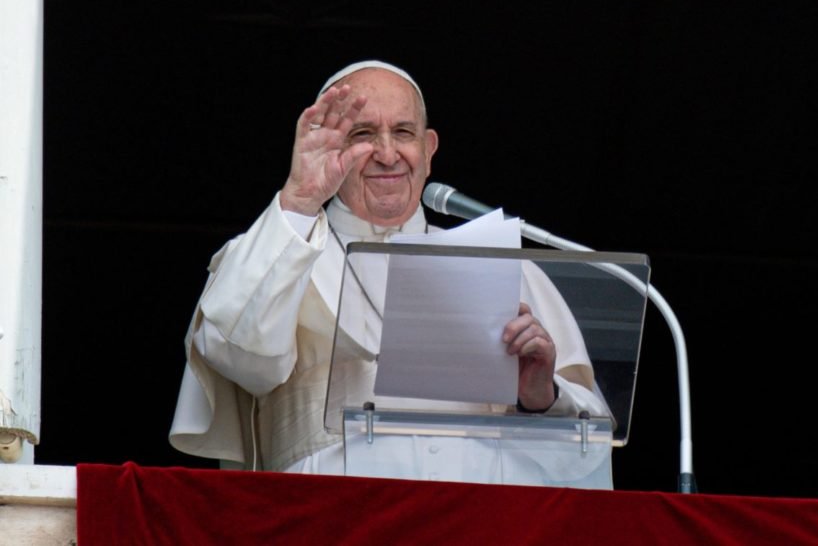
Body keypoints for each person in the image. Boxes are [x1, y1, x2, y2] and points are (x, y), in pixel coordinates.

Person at [169, 60, 609, 485]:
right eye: (362, 135)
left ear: (429, 149)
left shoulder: (506, 265)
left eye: (403, 132)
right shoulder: (279, 251)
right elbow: (241, 360)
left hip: (479, 519)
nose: (386, 153)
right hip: (334, 517)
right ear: (328, 149)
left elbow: (587, 456)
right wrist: (300, 198)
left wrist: (541, 397)